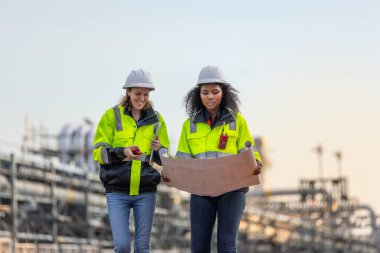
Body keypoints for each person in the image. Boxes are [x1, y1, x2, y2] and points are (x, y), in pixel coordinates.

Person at [174, 65, 262, 253]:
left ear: (224, 93)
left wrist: (256, 163)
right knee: (198, 247)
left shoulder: (237, 121)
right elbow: (182, 161)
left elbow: (249, 151)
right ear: (198, 95)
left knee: (226, 245)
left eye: (215, 91)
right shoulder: (189, 126)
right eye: (205, 92)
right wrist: (172, 173)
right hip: (201, 190)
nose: (210, 96)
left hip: (232, 189)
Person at [93, 69, 170, 253]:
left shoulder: (156, 120)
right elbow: (98, 152)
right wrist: (122, 152)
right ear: (128, 92)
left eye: (145, 94)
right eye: (137, 94)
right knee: (122, 246)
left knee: (143, 247)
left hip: (146, 191)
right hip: (117, 191)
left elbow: (166, 157)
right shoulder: (111, 116)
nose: (141, 98)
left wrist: (159, 150)